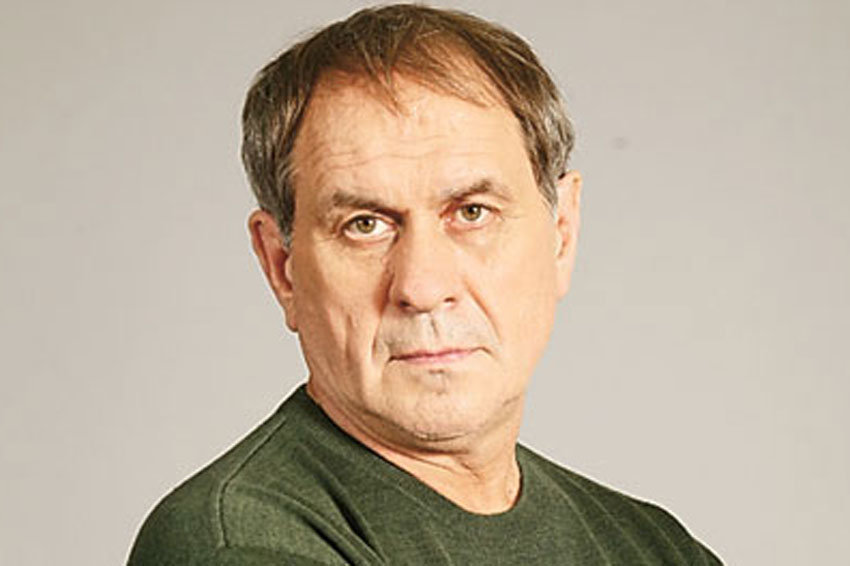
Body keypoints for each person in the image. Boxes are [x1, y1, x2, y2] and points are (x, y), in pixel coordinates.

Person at [128, 4, 722, 565]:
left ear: (561, 233)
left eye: (472, 212)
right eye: (365, 225)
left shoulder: (653, 546)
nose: (423, 286)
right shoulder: (240, 542)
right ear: (282, 267)